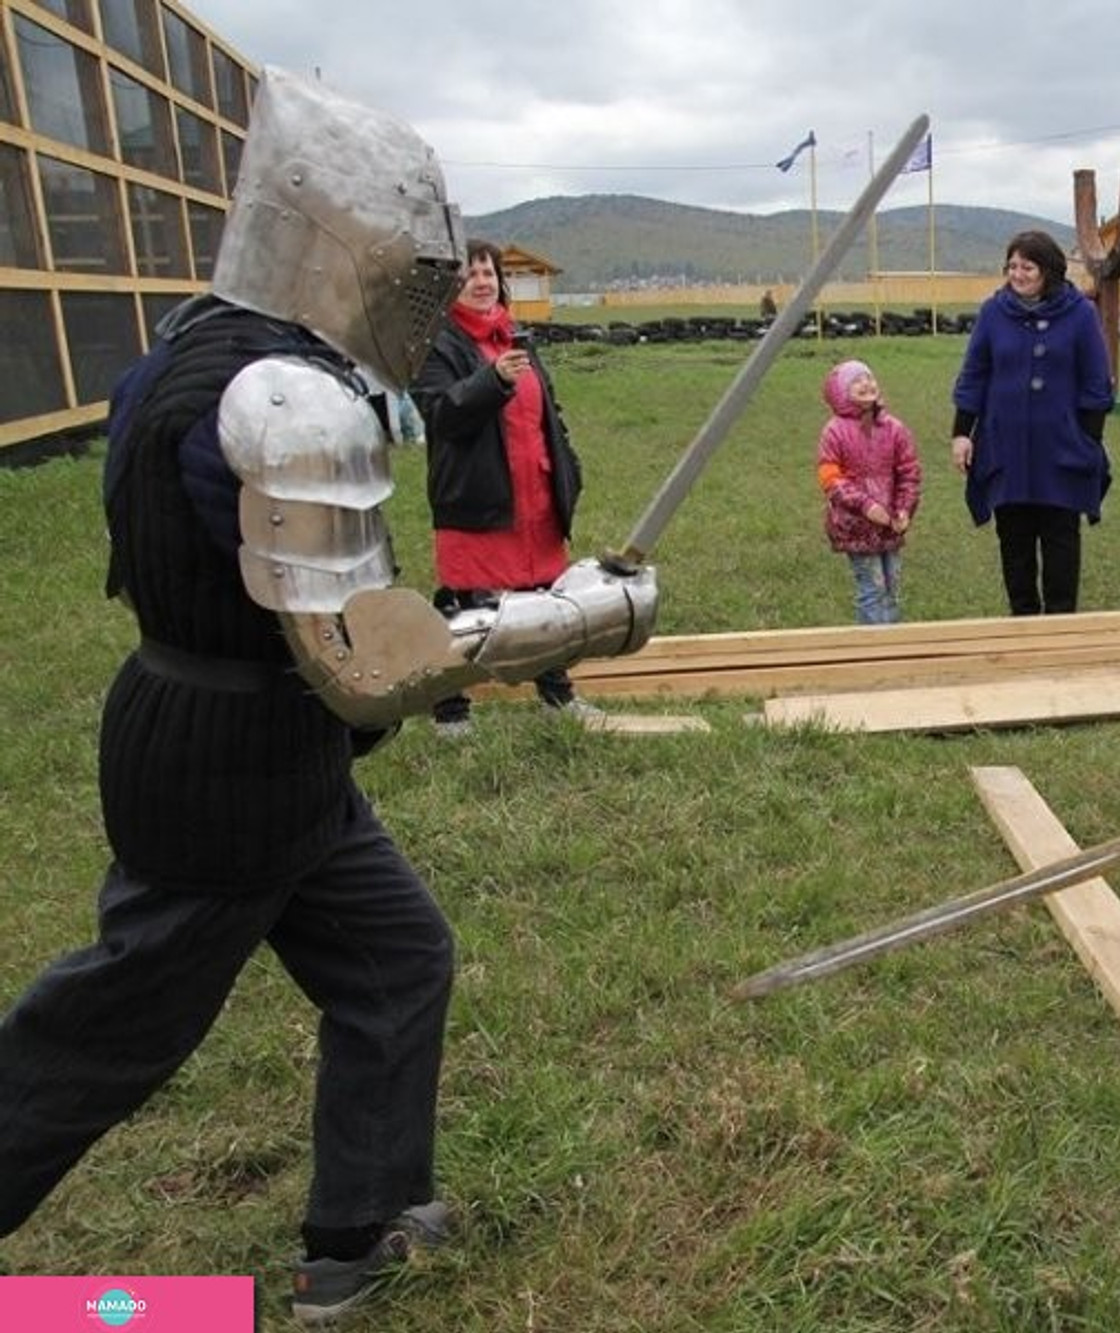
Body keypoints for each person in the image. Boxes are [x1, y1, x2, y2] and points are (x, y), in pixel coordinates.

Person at [0, 69, 657, 1322]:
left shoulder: (194, 345)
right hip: (231, 763)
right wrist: (586, 615)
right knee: (110, 1031)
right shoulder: (286, 399)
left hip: (250, 738)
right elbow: (367, 668)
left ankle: (353, 1231)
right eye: (415, 276)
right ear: (336, 248)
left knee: (398, 960)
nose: (423, 304)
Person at [414, 240, 601, 738]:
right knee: (468, 605)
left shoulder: (517, 337)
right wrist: (491, 380)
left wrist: (568, 466)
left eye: (488, 272)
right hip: (477, 499)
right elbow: (442, 414)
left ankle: (557, 698)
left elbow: (548, 412)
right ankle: (450, 708)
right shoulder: (439, 343)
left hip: (534, 496)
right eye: (469, 274)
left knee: (545, 603)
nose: (481, 281)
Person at [950, 229, 1115, 616]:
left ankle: (1060, 625)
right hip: (1005, 448)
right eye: (1012, 266)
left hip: (1061, 450)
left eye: (1027, 266)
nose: (1018, 274)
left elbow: (1096, 381)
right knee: (1014, 540)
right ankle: (1023, 620)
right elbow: (974, 374)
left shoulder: (1080, 314)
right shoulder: (994, 312)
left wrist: (1087, 439)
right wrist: (962, 433)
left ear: (1049, 270)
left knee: (1060, 539)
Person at [816, 358, 922, 624]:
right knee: (872, 589)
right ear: (841, 392)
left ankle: (891, 645)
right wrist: (866, 506)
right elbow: (830, 478)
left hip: (890, 524)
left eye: (869, 377)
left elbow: (909, 473)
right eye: (856, 381)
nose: (866, 383)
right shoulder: (834, 432)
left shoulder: (894, 429)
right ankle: (873, 650)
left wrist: (903, 509)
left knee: (892, 587)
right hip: (856, 526)